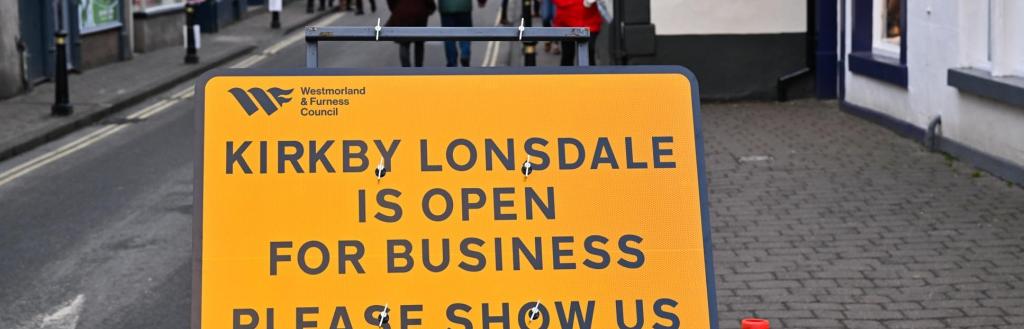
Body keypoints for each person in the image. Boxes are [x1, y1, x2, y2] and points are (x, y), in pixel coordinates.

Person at [386, 0, 436, 67]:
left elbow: (390, 2)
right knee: (419, 44)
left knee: (404, 43)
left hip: (403, 13)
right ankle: (418, 69)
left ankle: (406, 69)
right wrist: (430, 9)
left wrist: (396, 9)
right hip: (419, 13)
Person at [552, 0, 602, 65]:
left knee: (588, 54)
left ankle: (588, 74)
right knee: (568, 54)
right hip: (568, 19)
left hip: (588, 19)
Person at [439, 0, 481, 66]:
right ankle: (465, 53)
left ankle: (452, 61)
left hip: (446, 7)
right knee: (465, 33)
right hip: (464, 6)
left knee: (449, 37)